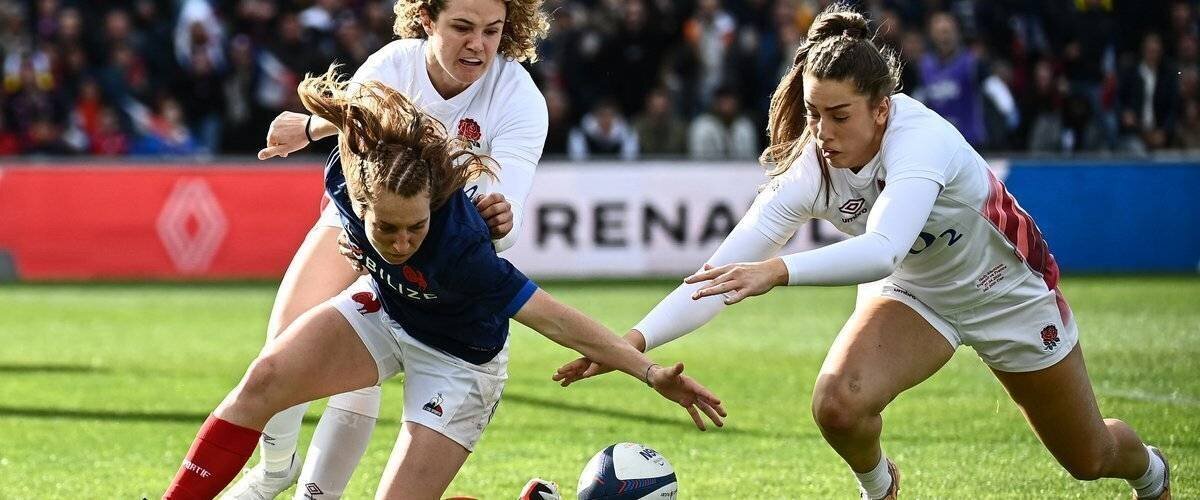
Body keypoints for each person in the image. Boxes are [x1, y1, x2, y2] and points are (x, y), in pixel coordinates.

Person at [554, 6, 1172, 500]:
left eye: (839, 116)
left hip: (1001, 287)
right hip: (914, 289)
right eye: (814, 114)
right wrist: (629, 345)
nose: (822, 134)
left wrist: (777, 271)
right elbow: (717, 275)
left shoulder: (921, 139)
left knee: (1089, 459)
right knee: (837, 405)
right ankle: (880, 490)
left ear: (882, 108)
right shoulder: (810, 168)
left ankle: (1151, 473)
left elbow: (878, 249)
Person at [163, 71, 725, 500]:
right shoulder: (345, 172)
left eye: (417, 226)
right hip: (385, 313)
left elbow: (553, 318)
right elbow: (367, 117)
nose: (404, 240)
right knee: (263, 380)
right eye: (387, 227)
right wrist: (312, 125)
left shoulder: (461, 248)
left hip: (460, 361)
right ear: (356, 201)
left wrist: (650, 372)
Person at [235, 0, 551, 497]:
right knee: (281, 347)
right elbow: (359, 116)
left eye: (493, 31)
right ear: (427, 20)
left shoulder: (519, 97)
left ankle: (316, 493)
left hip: (439, 250)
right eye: (462, 27)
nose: (479, 44)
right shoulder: (394, 64)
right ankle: (275, 469)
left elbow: (501, 214)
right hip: (366, 229)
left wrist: (501, 220)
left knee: (354, 375)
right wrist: (313, 127)